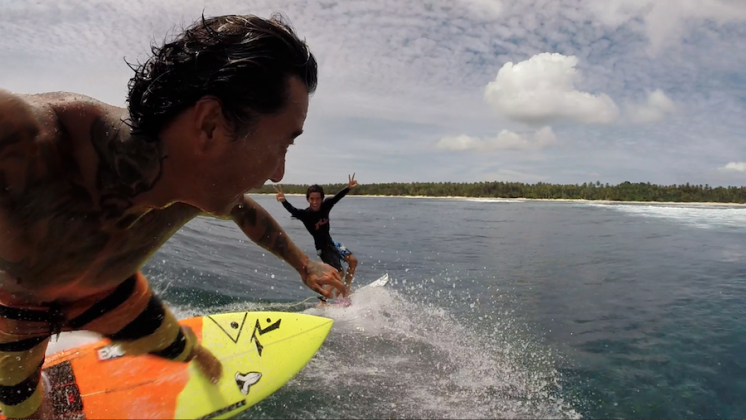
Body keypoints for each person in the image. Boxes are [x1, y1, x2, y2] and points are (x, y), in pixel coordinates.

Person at [0, 13, 347, 419]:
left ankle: (191, 356)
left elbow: (245, 212)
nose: (278, 173)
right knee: (23, 408)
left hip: (110, 291)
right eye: (282, 145)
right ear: (211, 125)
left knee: (188, 351)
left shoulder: (193, 181)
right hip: (19, 310)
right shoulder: (27, 144)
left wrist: (305, 266)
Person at [274, 174, 359, 300]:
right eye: (312, 199)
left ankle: (345, 288)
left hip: (332, 243)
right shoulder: (306, 215)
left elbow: (337, 198)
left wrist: (348, 188)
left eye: (317, 199)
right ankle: (323, 300)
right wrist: (283, 201)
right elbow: (293, 211)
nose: (315, 202)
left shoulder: (326, 205)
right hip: (322, 248)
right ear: (308, 199)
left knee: (353, 261)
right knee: (338, 273)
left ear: (322, 198)